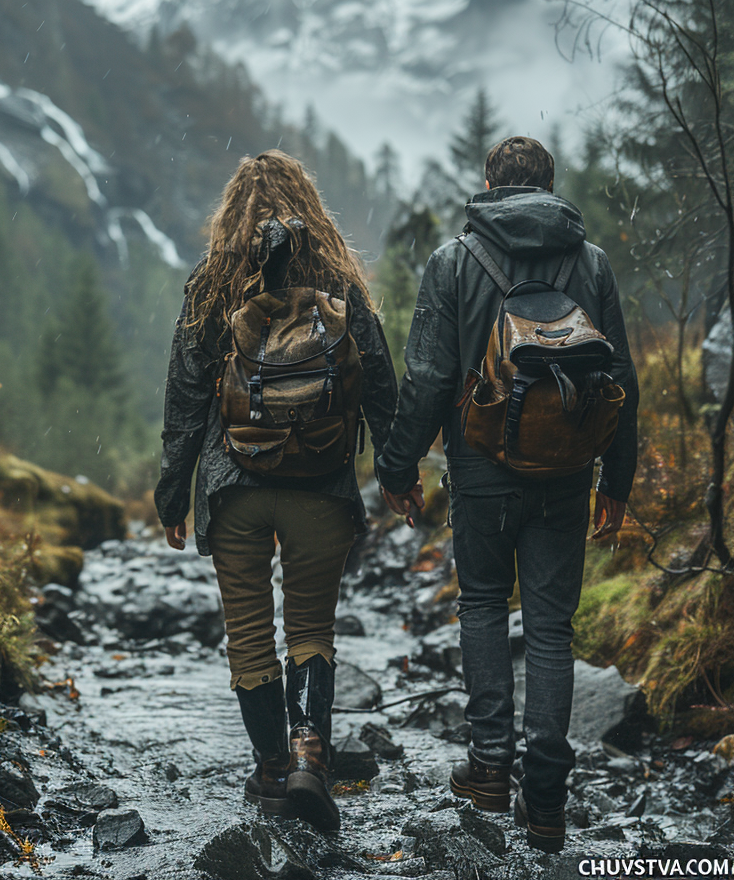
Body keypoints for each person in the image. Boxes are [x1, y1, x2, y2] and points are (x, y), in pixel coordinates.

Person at [375, 136, 638, 852]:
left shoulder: (454, 261)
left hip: (483, 468)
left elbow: (428, 379)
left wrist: (398, 470)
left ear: (490, 183)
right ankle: (546, 801)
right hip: (565, 473)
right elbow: (621, 381)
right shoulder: (592, 263)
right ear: (550, 186)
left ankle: (489, 768)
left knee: (486, 605)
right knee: (552, 629)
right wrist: (618, 479)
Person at [154, 149, 397, 832]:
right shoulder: (338, 279)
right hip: (320, 485)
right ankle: (309, 760)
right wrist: (399, 474)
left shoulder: (214, 282)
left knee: (251, 636)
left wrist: (173, 495)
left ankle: (268, 771)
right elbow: (378, 380)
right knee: (312, 629)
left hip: (235, 484)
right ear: (311, 207)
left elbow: (185, 398)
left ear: (232, 214)